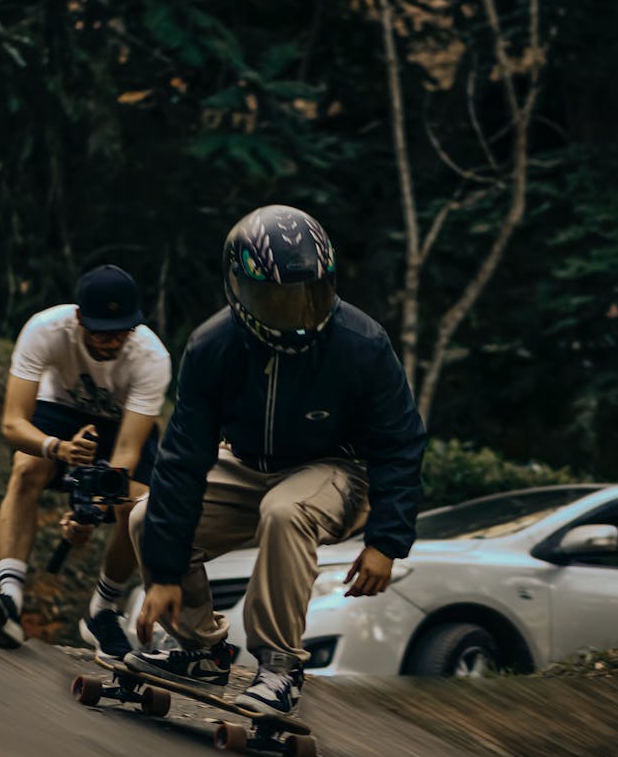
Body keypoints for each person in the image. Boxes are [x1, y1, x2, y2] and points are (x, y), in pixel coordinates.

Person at [125, 205, 426, 716]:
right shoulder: (211, 347)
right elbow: (183, 459)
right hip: (246, 463)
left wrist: (386, 542)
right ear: (238, 291)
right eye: (278, 301)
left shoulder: (363, 345)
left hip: (339, 470)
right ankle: (202, 651)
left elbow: (400, 443)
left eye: (310, 296)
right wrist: (164, 575)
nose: (299, 316)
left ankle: (280, 666)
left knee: (285, 511)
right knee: (144, 517)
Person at [0, 264, 171, 659]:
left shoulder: (152, 358)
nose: (110, 344)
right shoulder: (45, 329)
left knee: (139, 506)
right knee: (26, 468)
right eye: (99, 332)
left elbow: (128, 451)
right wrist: (58, 449)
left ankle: (103, 609)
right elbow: (12, 423)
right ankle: (9, 598)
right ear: (79, 318)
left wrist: (92, 508)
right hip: (58, 409)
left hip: (122, 423)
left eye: (120, 334)